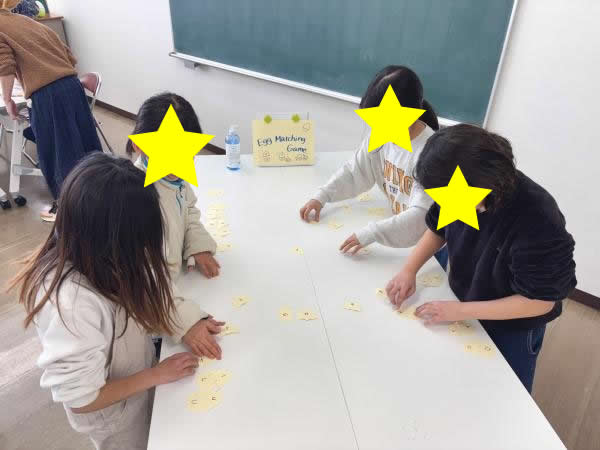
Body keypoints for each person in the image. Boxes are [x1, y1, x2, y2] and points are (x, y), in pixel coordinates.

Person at [9, 153, 225, 449]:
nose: (146, 247)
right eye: (140, 239)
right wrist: (157, 374)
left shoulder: (106, 254)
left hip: (135, 372)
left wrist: (186, 320)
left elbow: (150, 283)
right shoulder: (71, 305)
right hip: (114, 415)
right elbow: (81, 399)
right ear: (112, 238)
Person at [386, 124, 576, 392]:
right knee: (462, 383)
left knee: (506, 391)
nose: (445, 204)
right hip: (467, 299)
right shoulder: (456, 186)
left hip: (514, 324)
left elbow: (541, 302)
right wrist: (409, 269)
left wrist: (460, 311)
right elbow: (438, 228)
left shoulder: (538, 217)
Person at [299, 65, 448, 269]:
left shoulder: (432, 153)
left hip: (426, 248)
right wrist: (322, 196)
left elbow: (421, 215)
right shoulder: (382, 133)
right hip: (398, 234)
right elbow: (355, 170)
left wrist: (372, 233)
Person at [0, 0, 101, 222]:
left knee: (57, 152)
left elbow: (5, 67)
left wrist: (7, 99)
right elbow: (69, 55)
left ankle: (68, 210)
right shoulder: (25, 21)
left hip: (48, 95)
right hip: (72, 86)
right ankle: (100, 198)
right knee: (85, 144)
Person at [126, 92, 221, 280]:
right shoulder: (135, 197)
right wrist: (167, 292)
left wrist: (198, 245)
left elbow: (189, 211)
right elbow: (138, 271)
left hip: (181, 279)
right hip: (160, 288)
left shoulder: (175, 176)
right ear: (139, 146)